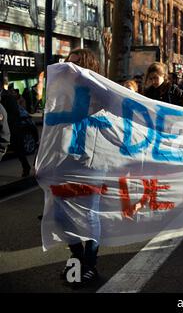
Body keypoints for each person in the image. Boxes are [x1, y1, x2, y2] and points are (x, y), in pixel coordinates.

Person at [59, 47, 102, 286]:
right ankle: (77, 258)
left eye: (76, 63)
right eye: (68, 63)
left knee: (89, 214)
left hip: (94, 161)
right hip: (65, 159)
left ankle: (90, 264)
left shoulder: (101, 92)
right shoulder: (61, 92)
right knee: (59, 213)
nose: (70, 67)